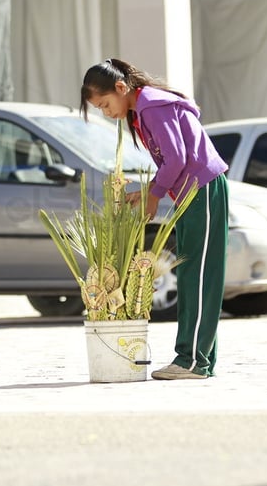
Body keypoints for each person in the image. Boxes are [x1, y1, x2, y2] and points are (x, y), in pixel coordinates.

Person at [79, 58, 229, 380]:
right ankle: (197, 360)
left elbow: (176, 158)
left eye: (105, 105)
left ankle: (193, 362)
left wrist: (153, 194)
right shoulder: (143, 111)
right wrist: (149, 191)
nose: (107, 113)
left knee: (200, 276)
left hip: (202, 190)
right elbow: (173, 161)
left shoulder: (150, 106)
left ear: (121, 88)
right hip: (190, 193)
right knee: (192, 273)